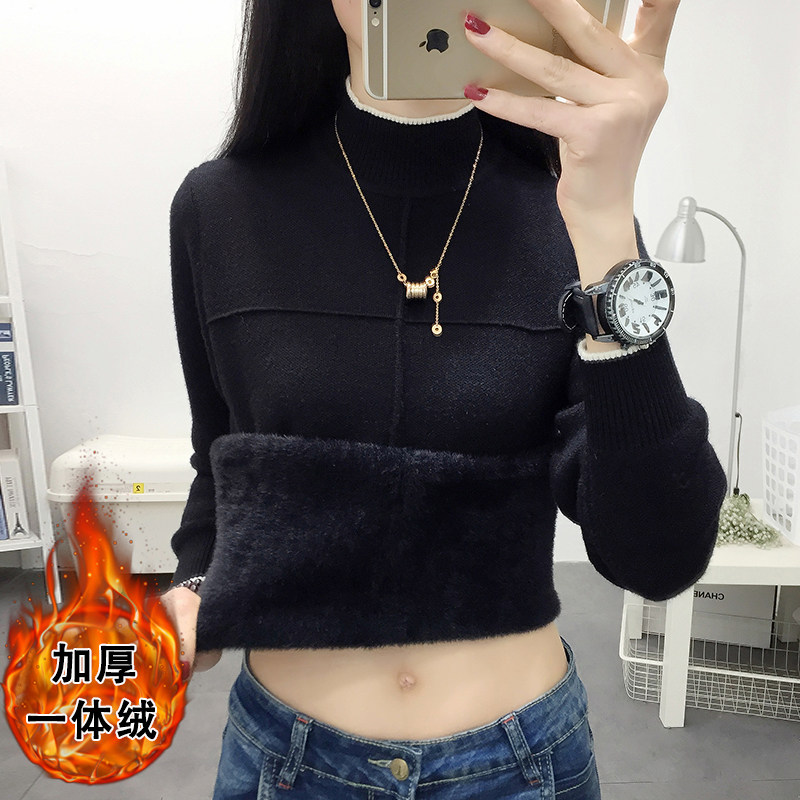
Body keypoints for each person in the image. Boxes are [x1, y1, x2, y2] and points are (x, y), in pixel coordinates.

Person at [158, 0, 727, 797]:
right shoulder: (218, 207)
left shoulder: (569, 210)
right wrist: (194, 589)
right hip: (288, 764)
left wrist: (604, 221)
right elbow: (219, 461)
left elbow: (658, 557)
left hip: (521, 764)